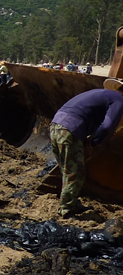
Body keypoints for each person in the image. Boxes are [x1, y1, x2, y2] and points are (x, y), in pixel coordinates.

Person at [49, 79, 123, 217]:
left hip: (56, 125)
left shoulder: (104, 94)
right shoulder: (119, 100)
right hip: (69, 129)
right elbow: (107, 126)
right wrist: (95, 142)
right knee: (76, 173)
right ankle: (66, 208)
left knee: (68, 169)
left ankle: (71, 201)